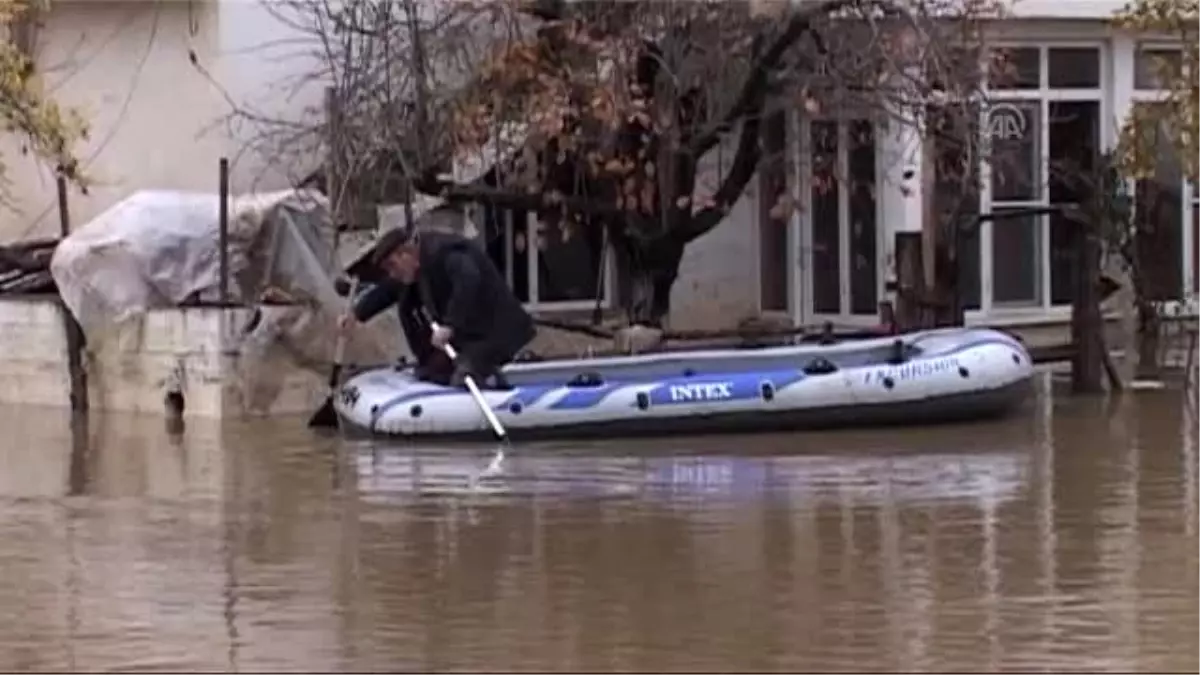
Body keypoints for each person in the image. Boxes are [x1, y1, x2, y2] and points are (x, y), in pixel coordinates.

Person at [341, 226, 535, 389]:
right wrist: (357, 314)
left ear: (406, 253)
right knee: (432, 370)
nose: (393, 273)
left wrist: (450, 325)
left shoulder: (446, 253)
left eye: (393, 266)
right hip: (469, 336)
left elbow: (468, 280)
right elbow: (388, 290)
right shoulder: (415, 267)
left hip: (494, 332)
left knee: (466, 372)